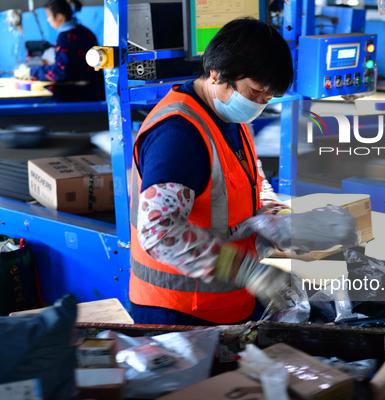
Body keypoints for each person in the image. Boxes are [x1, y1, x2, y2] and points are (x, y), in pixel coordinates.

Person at [129, 18, 295, 325]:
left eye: (270, 96)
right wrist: (246, 271)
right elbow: (159, 231)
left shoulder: (232, 119)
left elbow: (250, 179)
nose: (261, 103)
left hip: (230, 304)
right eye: (256, 91)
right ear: (217, 75)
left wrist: (276, 218)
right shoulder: (178, 135)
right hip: (178, 314)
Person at [14, 0, 105, 102]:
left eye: (49, 16)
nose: (48, 20)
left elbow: (61, 72)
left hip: (78, 97)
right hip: (96, 93)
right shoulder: (86, 32)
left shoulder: (66, 38)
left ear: (60, 16)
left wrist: (32, 72)